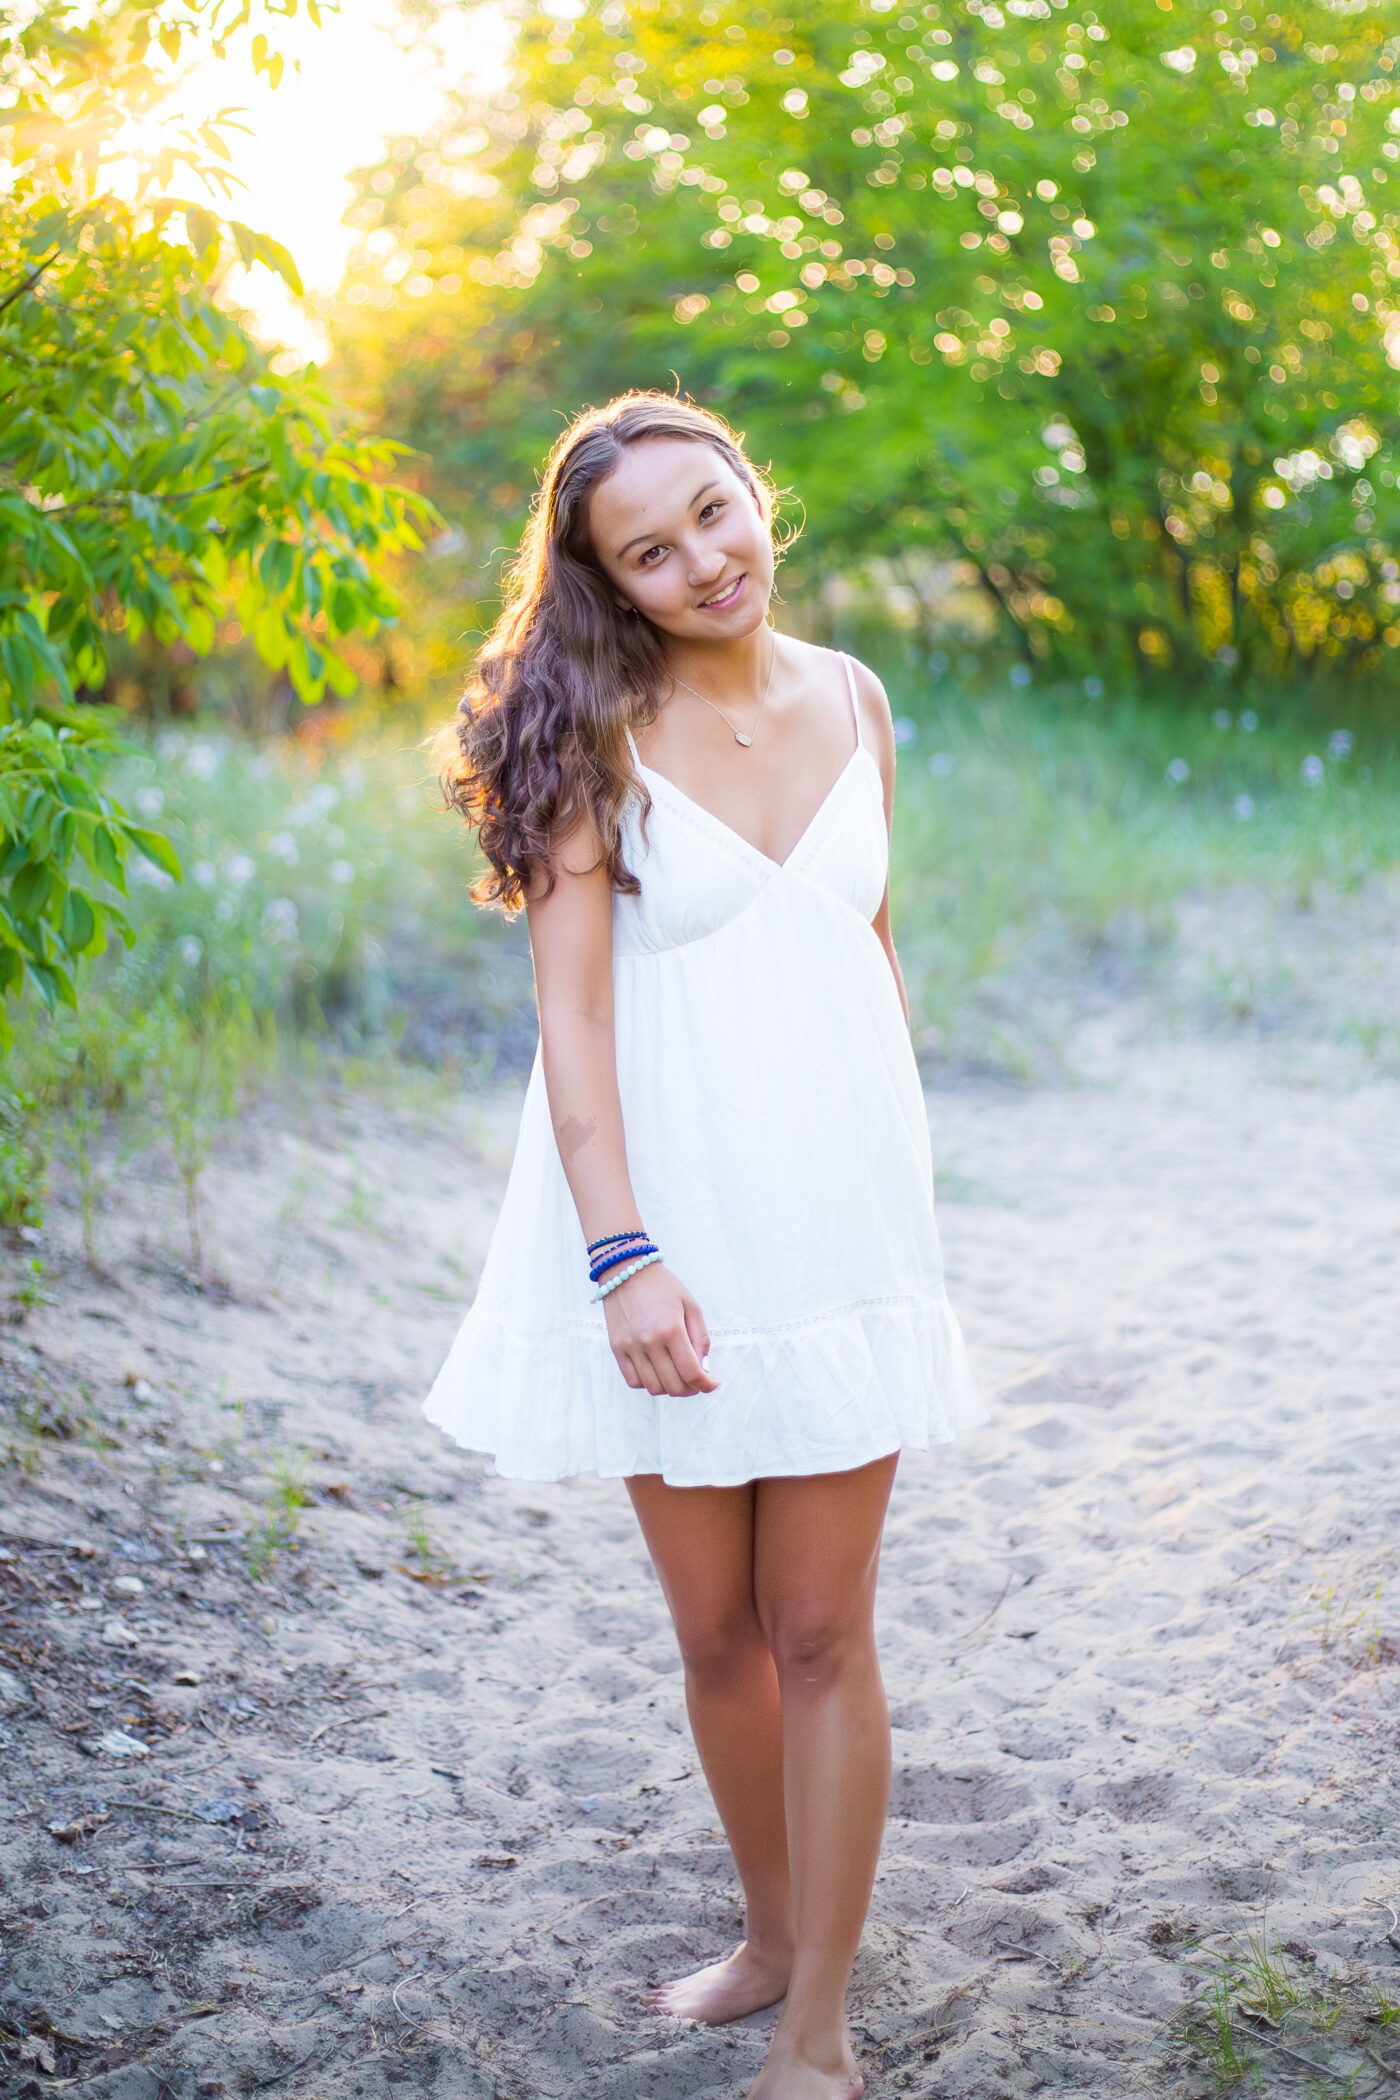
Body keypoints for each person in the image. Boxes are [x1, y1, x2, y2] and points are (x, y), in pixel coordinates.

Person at [425, 390, 987, 2100]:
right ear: (607, 582)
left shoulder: (858, 698)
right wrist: (622, 1261)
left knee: (825, 1630)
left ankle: (819, 2020)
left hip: (835, 1216)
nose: (702, 561)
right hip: (664, 1221)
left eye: (714, 513)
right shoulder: (591, 727)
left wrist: (901, 1202)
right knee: (718, 1633)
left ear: (758, 494)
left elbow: (867, 948)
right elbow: (573, 1029)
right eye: (649, 550)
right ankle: (764, 1933)